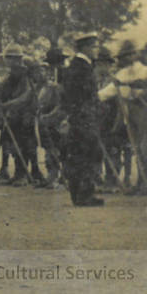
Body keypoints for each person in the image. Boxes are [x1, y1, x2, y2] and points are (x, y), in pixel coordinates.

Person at [61, 33, 105, 207]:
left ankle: (77, 194)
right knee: (90, 154)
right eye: (94, 46)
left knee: (78, 154)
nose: (97, 50)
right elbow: (87, 96)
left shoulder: (74, 66)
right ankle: (85, 195)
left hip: (76, 117)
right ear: (85, 48)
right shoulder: (83, 68)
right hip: (85, 117)